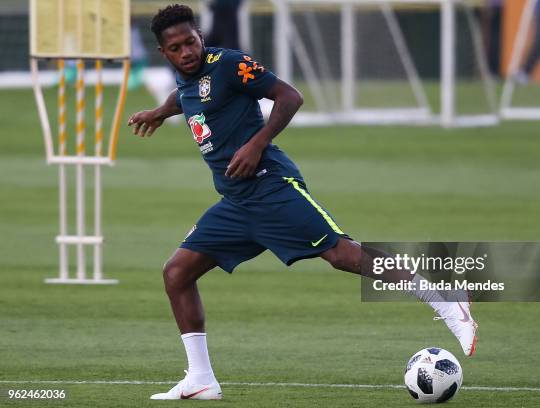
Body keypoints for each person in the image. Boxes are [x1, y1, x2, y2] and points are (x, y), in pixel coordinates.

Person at [128, 4, 478, 401]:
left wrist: (256, 144)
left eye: (190, 42)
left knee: (343, 256)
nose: (186, 52)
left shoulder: (229, 64)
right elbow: (189, 95)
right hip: (236, 203)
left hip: (271, 187)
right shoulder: (187, 77)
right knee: (176, 273)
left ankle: (446, 300)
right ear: (164, 53)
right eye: (175, 48)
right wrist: (160, 111)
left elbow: (289, 96)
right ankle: (201, 378)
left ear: (200, 38)